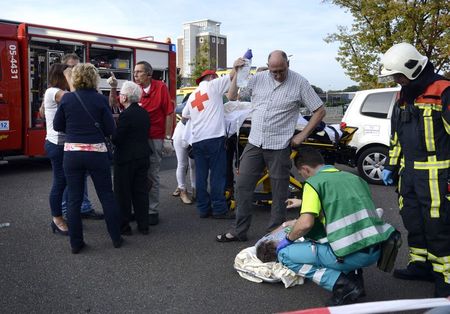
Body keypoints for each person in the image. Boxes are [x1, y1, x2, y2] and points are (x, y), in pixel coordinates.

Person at [216, 50, 326, 242]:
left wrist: (302, 135)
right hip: (255, 142)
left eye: (281, 71)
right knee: (243, 186)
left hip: (280, 144)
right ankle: (238, 231)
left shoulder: (299, 83)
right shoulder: (258, 78)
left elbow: (320, 110)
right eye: (273, 71)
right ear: (268, 67)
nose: (277, 75)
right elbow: (232, 96)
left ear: (287, 65)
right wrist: (235, 72)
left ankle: (275, 233)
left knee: (279, 191)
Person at [274, 147, 395, 305]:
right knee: (344, 237)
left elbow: (305, 224)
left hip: (349, 253)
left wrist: (287, 240)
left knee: (285, 254)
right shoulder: (353, 178)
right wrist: (304, 203)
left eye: (301, 173)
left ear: (304, 169)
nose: (302, 176)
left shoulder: (313, 183)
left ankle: (344, 286)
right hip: (375, 248)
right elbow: (342, 203)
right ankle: (355, 280)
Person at [378, 42, 450, 297]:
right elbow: (396, 137)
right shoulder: (403, 95)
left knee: (438, 226)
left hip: (436, 175)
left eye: (399, 75)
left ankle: (445, 278)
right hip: (408, 174)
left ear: (413, 68)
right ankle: (421, 265)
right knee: (414, 223)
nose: (397, 80)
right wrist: (391, 166)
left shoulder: (442, 90)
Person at [53, 63, 122, 254]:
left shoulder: (67, 100)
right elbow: (110, 130)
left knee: (74, 199)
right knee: (106, 196)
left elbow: (58, 125)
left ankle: (76, 244)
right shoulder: (100, 99)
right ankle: (116, 238)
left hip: (72, 154)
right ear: (94, 78)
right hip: (97, 154)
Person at [109, 61, 174, 221]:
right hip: (134, 139)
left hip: (154, 136)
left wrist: (167, 138)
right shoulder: (132, 88)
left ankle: (151, 211)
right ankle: (134, 210)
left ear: (149, 74)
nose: (135, 75)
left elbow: (169, 113)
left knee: (151, 174)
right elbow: (113, 103)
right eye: (135, 72)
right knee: (133, 175)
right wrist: (113, 88)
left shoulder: (160, 88)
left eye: (139, 72)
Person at [181, 67, 238, 218]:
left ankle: (203, 209)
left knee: (201, 176)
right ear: (212, 77)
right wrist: (237, 65)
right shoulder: (213, 86)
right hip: (214, 138)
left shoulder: (193, 95)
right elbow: (232, 76)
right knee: (217, 175)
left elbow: (185, 115)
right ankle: (219, 209)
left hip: (198, 140)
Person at [60, 53, 103, 220]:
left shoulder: (78, 89)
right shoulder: (61, 90)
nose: (75, 70)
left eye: (77, 67)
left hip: (78, 144)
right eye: (71, 67)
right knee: (67, 181)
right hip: (67, 142)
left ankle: (84, 208)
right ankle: (66, 212)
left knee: (82, 177)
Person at [112, 81, 151, 235]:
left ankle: (124, 226)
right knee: (140, 192)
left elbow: (117, 138)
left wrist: (112, 134)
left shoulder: (125, 115)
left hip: (126, 158)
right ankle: (144, 225)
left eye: (120, 94)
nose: (119, 96)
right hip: (143, 155)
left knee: (123, 193)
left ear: (126, 97)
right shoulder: (144, 113)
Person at [43, 63, 71, 235]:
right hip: (56, 145)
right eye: (68, 74)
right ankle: (57, 219)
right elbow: (74, 99)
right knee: (60, 182)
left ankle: (66, 214)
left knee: (66, 181)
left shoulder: (58, 92)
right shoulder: (53, 91)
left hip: (64, 144)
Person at [172, 116, 195, 204]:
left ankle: (195, 189)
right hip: (181, 133)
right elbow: (184, 116)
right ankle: (182, 190)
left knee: (194, 164)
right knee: (182, 164)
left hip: (195, 133)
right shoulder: (188, 104)